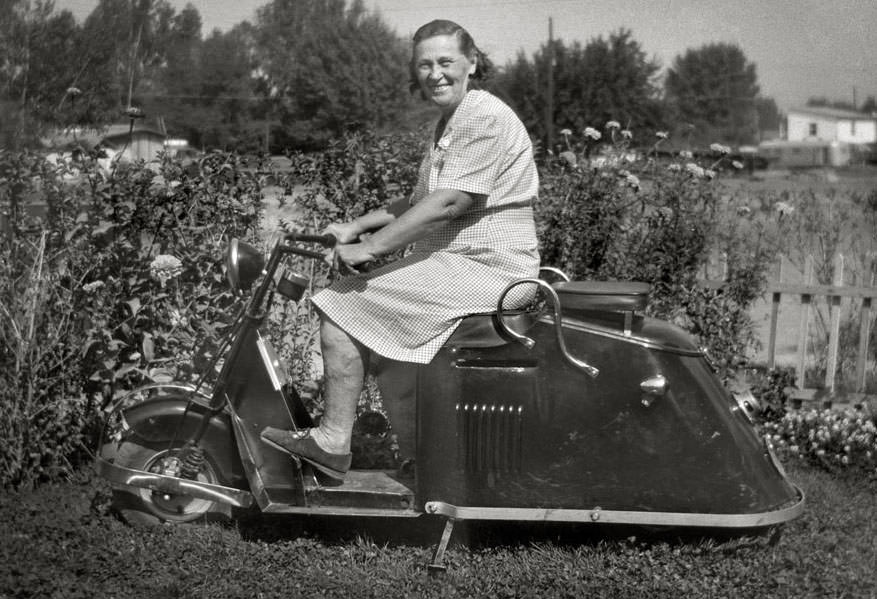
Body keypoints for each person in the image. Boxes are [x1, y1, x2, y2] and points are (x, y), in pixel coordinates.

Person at [260, 19, 540, 480]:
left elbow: (452, 201)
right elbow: (417, 204)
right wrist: (354, 226)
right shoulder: (451, 122)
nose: (435, 74)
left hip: (490, 268)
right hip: (460, 262)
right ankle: (421, 460)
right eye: (424, 65)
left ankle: (332, 441)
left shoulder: (483, 116)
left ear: (472, 62)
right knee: (390, 352)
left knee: (341, 305)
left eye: (446, 62)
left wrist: (371, 247)